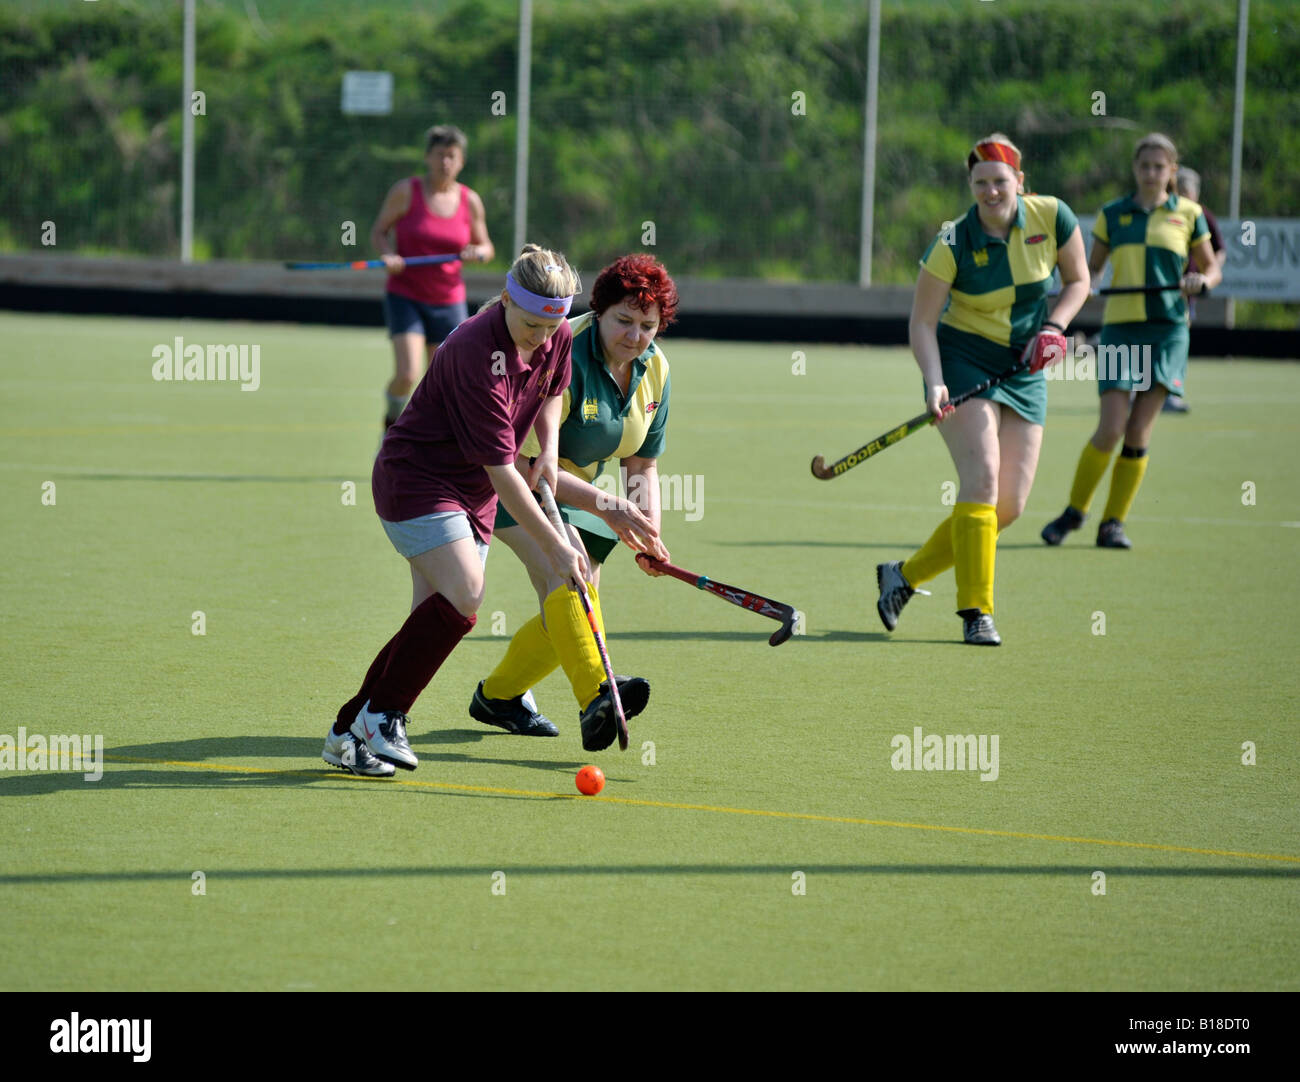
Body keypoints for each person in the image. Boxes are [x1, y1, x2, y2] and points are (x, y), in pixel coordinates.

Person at [322, 245, 585, 777]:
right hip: (416, 480)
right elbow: (503, 471)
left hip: (471, 494)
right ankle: (383, 715)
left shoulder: (553, 331)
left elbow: (553, 388)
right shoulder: (471, 351)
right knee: (466, 592)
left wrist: (551, 451)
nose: (540, 337)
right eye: (530, 324)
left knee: (432, 620)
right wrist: (556, 548)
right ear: (507, 300)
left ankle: (348, 733)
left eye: (550, 327)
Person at [876, 133, 1089, 646]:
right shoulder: (952, 241)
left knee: (1008, 507)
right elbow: (922, 324)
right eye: (980, 183)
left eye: (1000, 181)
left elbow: (1079, 281)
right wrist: (935, 383)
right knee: (983, 478)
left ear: (1020, 181)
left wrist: (1054, 327)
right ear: (970, 186)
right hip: (964, 358)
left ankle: (901, 577)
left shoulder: (1053, 216)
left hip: (1025, 363)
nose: (991, 192)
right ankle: (977, 612)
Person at [469, 254, 677, 751]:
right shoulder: (562, 346)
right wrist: (607, 504)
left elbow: (642, 464)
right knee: (571, 585)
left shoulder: (656, 369)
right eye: (623, 321)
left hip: (585, 494)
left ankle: (498, 698)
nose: (634, 336)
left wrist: (649, 531)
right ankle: (598, 697)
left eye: (647, 326)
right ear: (597, 312)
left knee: (569, 610)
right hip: (511, 481)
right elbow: (521, 462)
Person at [1041, 134, 1221, 550]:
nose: (1152, 173)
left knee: (1138, 430)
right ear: (1135, 169)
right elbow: (1092, 271)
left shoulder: (1189, 214)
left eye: (1160, 167)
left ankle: (1113, 524)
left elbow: (1212, 270)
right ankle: (1074, 512)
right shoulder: (1113, 214)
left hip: (1168, 330)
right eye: (1145, 166)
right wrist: (1078, 293)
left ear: (1172, 171)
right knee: (1110, 428)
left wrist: (1201, 281)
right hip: (1123, 328)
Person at [370, 124, 495, 433]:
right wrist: (388, 255)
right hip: (406, 295)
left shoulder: (470, 201)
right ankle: (391, 430)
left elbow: (487, 246)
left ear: (461, 161)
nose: (445, 163)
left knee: (443, 380)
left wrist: (477, 253)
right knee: (408, 372)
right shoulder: (405, 192)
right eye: (439, 155)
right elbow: (379, 232)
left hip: (448, 300)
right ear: (427, 157)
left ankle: (426, 447)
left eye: (452, 156)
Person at [1162, 166, 1228, 414]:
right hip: (1159, 287)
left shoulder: (1201, 215)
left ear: (1195, 193)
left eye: (1187, 191)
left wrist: (1205, 276)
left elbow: (1218, 252)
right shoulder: (1161, 212)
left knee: (1177, 339)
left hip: (1185, 291)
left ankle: (1171, 390)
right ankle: (1140, 391)